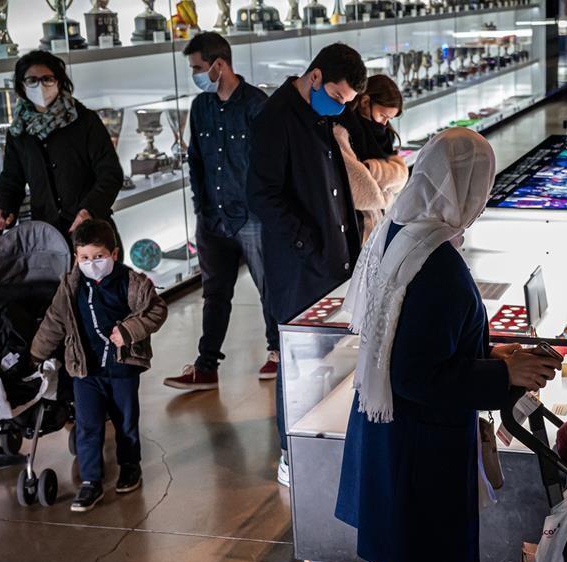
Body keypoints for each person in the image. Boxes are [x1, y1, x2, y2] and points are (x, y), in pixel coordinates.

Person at [302, 129, 563, 562]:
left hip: (392, 440)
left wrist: (493, 354)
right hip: (419, 453)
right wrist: (502, 372)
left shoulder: (402, 232)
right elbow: (418, 374)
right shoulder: (436, 262)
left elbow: (413, 344)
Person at [248, 43, 367, 486]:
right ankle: (291, 452)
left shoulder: (323, 114)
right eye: (337, 98)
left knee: (334, 359)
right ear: (315, 77)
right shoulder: (274, 120)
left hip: (335, 261)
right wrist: (307, 241)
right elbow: (262, 195)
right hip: (301, 269)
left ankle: (328, 441)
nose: (340, 109)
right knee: (300, 366)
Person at [163, 32, 276, 391]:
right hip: (212, 217)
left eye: (198, 68)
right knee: (214, 293)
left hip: (251, 217)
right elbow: (196, 159)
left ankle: (278, 353)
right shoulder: (201, 107)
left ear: (219, 65)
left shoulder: (257, 105)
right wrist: (200, 207)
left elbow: (268, 167)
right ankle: (206, 366)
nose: (195, 75)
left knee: (268, 287)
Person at [30, 219, 168, 513]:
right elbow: (54, 321)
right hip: (85, 370)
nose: (92, 264)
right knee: (88, 425)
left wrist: (131, 330)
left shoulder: (133, 283)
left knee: (125, 422)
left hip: (122, 369)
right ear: (76, 258)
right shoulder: (71, 286)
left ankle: (130, 466)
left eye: (98, 257)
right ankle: (91, 482)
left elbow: (157, 309)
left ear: (114, 254)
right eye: (85, 258)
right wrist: (35, 354)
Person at [0, 51, 123, 242]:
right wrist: (4, 208)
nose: (40, 86)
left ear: (59, 81)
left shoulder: (85, 121)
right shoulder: (19, 131)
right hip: (46, 234)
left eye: (47, 79)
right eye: (32, 80)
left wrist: (89, 210)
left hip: (92, 232)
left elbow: (110, 174)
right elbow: (12, 178)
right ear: (22, 85)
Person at [334, 74, 409, 241]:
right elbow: (359, 192)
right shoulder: (342, 130)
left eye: (389, 118)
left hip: (377, 223)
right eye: (382, 115)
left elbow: (402, 176)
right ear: (365, 101)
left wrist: (370, 170)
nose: (384, 123)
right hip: (354, 228)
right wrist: (386, 196)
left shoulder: (384, 134)